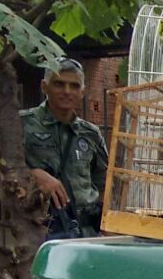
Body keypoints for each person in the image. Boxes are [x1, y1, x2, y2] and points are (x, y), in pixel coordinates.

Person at [21, 58, 107, 239]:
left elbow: (105, 186)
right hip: (41, 230)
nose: (67, 91)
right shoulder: (22, 125)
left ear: (82, 92)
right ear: (44, 87)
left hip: (87, 232)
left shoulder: (90, 133)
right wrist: (33, 175)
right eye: (59, 84)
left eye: (74, 86)